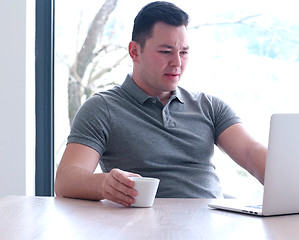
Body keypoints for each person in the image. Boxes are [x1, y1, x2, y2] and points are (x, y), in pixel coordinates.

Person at [54, 1, 267, 207]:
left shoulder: (209, 107)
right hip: (143, 228)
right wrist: (104, 184)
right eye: (165, 52)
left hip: (211, 223)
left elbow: (250, 153)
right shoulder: (102, 108)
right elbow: (65, 180)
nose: (177, 63)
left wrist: (290, 179)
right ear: (135, 51)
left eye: (184, 52)